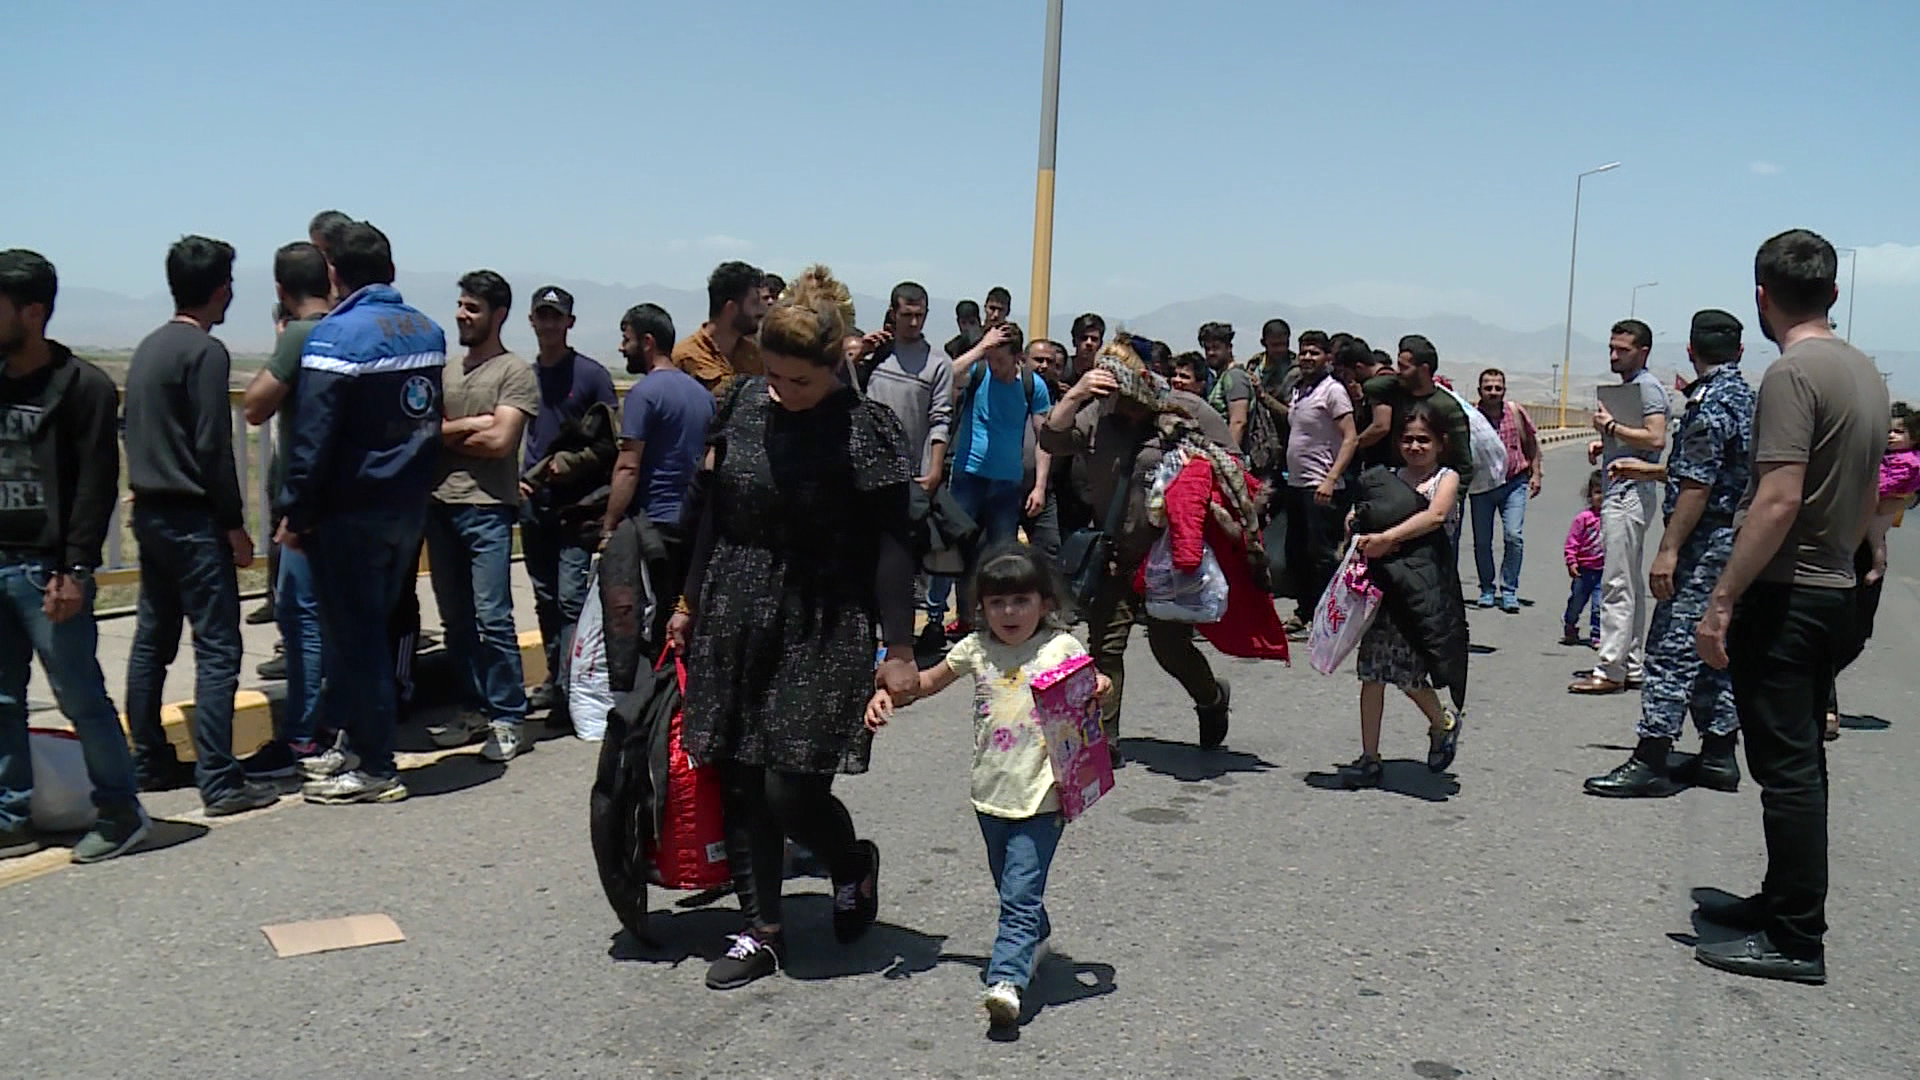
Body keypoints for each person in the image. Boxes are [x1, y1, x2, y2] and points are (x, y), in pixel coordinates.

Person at [668, 290, 913, 992]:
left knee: (790, 789)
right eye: (772, 374)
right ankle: (763, 931)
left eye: (798, 380)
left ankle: (848, 862)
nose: (782, 391)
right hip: (736, 606)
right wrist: (688, 598)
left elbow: (893, 542)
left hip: (825, 617)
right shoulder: (743, 405)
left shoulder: (865, 430)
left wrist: (898, 647)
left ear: (835, 364)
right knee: (742, 781)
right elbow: (715, 513)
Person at [1691, 229, 1887, 985]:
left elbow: (1777, 498)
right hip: (1835, 587)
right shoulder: (1863, 371)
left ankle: (1797, 937)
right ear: (1832, 295)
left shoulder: (1789, 375)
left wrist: (1721, 602)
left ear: (1761, 297)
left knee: (1788, 772)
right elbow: (1870, 492)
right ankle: (1782, 901)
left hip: (1790, 592)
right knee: (1800, 760)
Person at [865, 544, 1108, 1026]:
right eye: (997, 603)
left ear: (1045, 603)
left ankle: (1006, 981)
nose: (1009, 612)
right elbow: (925, 683)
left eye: (1021, 601)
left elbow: (1096, 682)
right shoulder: (976, 648)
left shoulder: (1060, 648)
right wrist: (886, 695)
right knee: (1011, 886)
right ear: (980, 607)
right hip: (990, 791)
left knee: (1019, 891)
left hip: (1043, 794)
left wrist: (1099, 686)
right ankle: (1035, 937)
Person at [282, 221, 446, 804]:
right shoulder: (427, 331)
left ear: (334, 274)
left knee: (356, 640)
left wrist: (295, 512)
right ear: (392, 270)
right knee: (370, 631)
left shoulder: (335, 337)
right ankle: (356, 742)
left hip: (350, 510)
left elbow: (313, 437)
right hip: (406, 508)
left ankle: (376, 767)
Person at [0, 249, 150, 862]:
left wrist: (75, 570)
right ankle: (11, 815)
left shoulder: (82, 386)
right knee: (2, 697)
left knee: (80, 696)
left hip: (45, 571)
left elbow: (93, 485)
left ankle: (121, 812)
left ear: (32, 312)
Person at [122, 236, 274, 816]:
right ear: (221, 289)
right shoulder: (206, 354)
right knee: (216, 647)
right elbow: (213, 448)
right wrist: (233, 524)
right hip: (192, 520)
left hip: (152, 516)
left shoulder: (149, 348)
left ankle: (149, 761)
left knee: (152, 642)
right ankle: (220, 779)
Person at [1584, 310, 1755, 798]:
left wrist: (1669, 549)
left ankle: (1651, 757)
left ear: (1689, 351)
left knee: (1668, 649)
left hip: (1704, 542)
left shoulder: (1709, 401)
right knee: (1712, 650)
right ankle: (1719, 753)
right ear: (1739, 352)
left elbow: (1700, 483)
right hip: (1735, 539)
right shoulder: (1747, 397)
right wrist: (1654, 473)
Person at [1038, 339, 1235, 761]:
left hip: (1168, 557)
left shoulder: (1186, 410)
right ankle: (1106, 740)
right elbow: (1052, 439)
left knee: (1170, 648)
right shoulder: (1097, 411)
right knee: (1106, 646)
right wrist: (1077, 392)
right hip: (1115, 553)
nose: (1121, 406)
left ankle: (1211, 698)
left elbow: (1233, 465)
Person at [420, 271, 538, 762]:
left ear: (498, 314)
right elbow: (425, 431)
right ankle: (471, 710)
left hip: (487, 509)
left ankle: (508, 716)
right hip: (439, 504)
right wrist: (468, 423)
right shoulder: (446, 371)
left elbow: (501, 442)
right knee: (457, 620)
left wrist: (446, 432)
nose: (461, 315)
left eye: (472, 308)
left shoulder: (514, 373)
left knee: (493, 617)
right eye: (461, 305)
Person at [238, 242, 335, 779]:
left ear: (280, 290)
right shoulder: (351, 329)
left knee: (302, 622)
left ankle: (301, 737)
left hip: (306, 506)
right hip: (351, 503)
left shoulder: (300, 335)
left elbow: (254, 405)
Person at [1338, 405, 1465, 789]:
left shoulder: (1446, 478)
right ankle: (1369, 757)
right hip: (1381, 590)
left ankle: (1442, 722)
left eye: (1423, 440)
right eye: (1408, 439)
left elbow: (1435, 517)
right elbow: (1362, 515)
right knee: (1372, 673)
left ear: (1440, 444)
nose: (1414, 446)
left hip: (1421, 592)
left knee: (1408, 675)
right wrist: (1354, 525)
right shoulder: (1386, 479)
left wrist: (1388, 539)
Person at [518, 286, 618, 721]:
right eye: (542, 316)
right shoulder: (524, 376)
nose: (548, 324)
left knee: (570, 598)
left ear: (569, 323)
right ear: (531, 321)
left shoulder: (592, 375)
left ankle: (573, 687)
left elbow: (611, 444)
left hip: (578, 506)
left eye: (556, 317)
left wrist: (570, 465)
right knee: (544, 597)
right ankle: (556, 684)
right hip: (533, 501)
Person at [930, 323, 1052, 636]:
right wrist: (982, 349)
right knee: (950, 549)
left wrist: (1039, 485)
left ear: (1018, 358)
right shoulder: (979, 373)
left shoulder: (1032, 386)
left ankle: (990, 620)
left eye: (1001, 360)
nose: (995, 366)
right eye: (991, 358)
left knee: (1000, 558)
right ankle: (935, 617)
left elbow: (1044, 439)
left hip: (1006, 485)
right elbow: (947, 374)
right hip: (968, 476)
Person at [603, 303, 713, 648]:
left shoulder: (643, 395)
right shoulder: (702, 395)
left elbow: (628, 465)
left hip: (654, 527)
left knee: (651, 625)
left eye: (626, 339)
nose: (622, 347)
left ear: (647, 341)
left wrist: (608, 526)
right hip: (694, 525)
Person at [1570, 319, 1670, 694]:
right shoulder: (1633, 388)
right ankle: (1629, 663)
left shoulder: (1647, 388)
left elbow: (1656, 437)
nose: (1614, 355)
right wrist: (1608, 444)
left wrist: (1611, 429)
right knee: (1625, 579)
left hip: (1628, 492)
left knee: (1616, 580)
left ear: (1643, 352)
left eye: (1622, 350)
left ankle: (1610, 667)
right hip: (1623, 487)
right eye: (1611, 348)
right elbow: (1638, 437)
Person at [864, 283, 954, 652]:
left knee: (898, 564)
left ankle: (895, 646)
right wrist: (860, 352)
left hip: (906, 479)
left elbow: (940, 420)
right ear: (893, 313)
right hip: (862, 472)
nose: (913, 322)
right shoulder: (874, 356)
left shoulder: (938, 364)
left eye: (920, 315)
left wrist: (933, 471)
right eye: (907, 315)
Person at [1828, 403, 1920, 738]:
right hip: (1842, 545)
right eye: (1888, 430)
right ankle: (1825, 703)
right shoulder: (1869, 456)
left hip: (1867, 546)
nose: (1892, 436)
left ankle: (1817, 685)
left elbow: (1890, 498)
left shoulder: (1907, 465)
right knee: (1833, 625)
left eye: (1900, 431)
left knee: (1857, 633)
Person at [1358, 335, 1476, 548]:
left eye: (1404, 367)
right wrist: (1401, 378)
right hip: (1399, 491)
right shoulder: (1398, 394)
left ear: (1423, 369)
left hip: (1436, 494)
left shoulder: (1447, 407)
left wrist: (1450, 502)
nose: (1398, 371)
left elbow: (1464, 463)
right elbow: (1372, 386)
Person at [1281, 330, 1358, 634]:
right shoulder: (1300, 390)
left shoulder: (1333, 391)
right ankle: (1305, 610)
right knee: (1296, 551)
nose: (1307, 358)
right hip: (1297, 483)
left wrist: (1332, 478)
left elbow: (1350, 438)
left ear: (1327, 357)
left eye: (1314, 352)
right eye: (1303, 352)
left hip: (1322, 485)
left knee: (1322, 555)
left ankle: (1331, 616)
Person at [1468, 368, 1541, 612]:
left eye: (1498, 388)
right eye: (1488, 388)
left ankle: (1509, 590)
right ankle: (1487, 589)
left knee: (1514, 536)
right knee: (1482, 541)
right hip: (1482, 487)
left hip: (1514, 482)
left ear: (1504, 390)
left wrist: (1537, 473)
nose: (1493, 392)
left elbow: (1531, 443)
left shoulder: (1515, 412)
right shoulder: (1470, 417)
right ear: (1480, 391)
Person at [675, 261, 767, 398]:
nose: (760, 311)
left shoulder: (754, 355)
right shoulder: (685, 357)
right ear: (731, 308)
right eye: (754, 303)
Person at [1562, 471, 1605, 647]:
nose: (1600, 497)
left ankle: (1597, 634)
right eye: (1596, 492)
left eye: (1604, 492)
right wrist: (1571, 562)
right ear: (1590, 495)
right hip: (1583, 569)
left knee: (1599, 605)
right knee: (1577, 601)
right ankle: (1570, 624)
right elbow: (1571, 542)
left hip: (1603, 569)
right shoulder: (1583, 519)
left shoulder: (1612, 518)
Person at [1198, 322, 1251, 450]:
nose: (1211, 353)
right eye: (1207, 348)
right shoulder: (1220, 378)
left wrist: (1229, 458)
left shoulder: (1235, 377)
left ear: (1229, 347)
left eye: (1216, 348)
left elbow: (1238, 422)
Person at [1067, 313, 1105, 383]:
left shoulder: (1103, 373)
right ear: (1074, 341)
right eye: (1084, 338)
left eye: (1094, 339)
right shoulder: (1062, 369)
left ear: (1101, 344)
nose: (1089, 343)